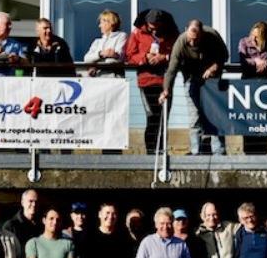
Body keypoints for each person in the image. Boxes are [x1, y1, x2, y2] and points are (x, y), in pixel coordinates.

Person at [159, 19, 229, 156]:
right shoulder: (180, 42)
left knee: (214, 116)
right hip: (191, 78)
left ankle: (218, 152)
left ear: (202, 34)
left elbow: (224, 56)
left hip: (212, 79)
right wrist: (166, 90)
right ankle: (196, 152)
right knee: (194, 116)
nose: (192, 43)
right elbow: (171, 70)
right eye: (190, 39)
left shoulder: (212, 36)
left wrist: (214, 67)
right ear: (186, 31)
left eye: (195, 40)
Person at [125, 9, 179, 154]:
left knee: (163, 117)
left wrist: (164, 57)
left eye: (157, 25)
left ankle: (161, 150)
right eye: (151, 25)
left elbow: (178, 53)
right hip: (147, 80)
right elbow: (129, 55)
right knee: (153, 116)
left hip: (166, 81)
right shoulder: (137, 33)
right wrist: (145, 57)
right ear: (146, 22)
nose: (154, 28)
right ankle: (151, 151)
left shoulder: (172, 33)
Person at [238, 21, 267, 155]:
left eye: (258, 37)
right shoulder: (244, 42)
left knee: (262, 118)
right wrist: (256, 61)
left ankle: (262, 151)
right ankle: (248, 151)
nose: (254, 39)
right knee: (249, 118)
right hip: (248, 86)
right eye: (253, 35)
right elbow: (243, 59)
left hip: (264, 86)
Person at [83, 10, 127, 77]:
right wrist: (100, 54)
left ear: (110, 23)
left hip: (115, 79)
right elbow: (86, 59)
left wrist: (96, 63)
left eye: (101, 23)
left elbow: (118, 59)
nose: (99, 26)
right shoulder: (97, 41)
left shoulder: (122, 36)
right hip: (98, 79)